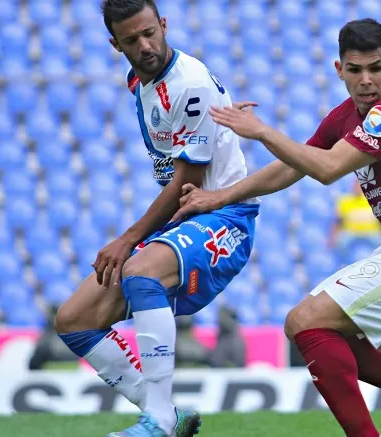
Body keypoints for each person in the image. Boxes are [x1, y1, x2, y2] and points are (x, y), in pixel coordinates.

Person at [174, 18, 381, 437]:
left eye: (376, 68)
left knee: (305, 322)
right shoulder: (347, 116)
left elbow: (328, 169)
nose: (366, 80)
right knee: (319, 330)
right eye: (355, 70)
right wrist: (219, 197)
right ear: (338, 70)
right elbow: (293, 167)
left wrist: (262, 132)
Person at [52, 2, 259, 436]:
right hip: (184, 217)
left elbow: (189, 179)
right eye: (131, 40)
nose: (144, 46)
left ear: (164, 25)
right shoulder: (140, 80)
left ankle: (159, 421)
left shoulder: (189, 84)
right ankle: (167, 413)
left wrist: (128, 238)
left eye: (150, 33)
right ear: (116, 45)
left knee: (141, 271)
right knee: (73, 319)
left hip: (223, 214)